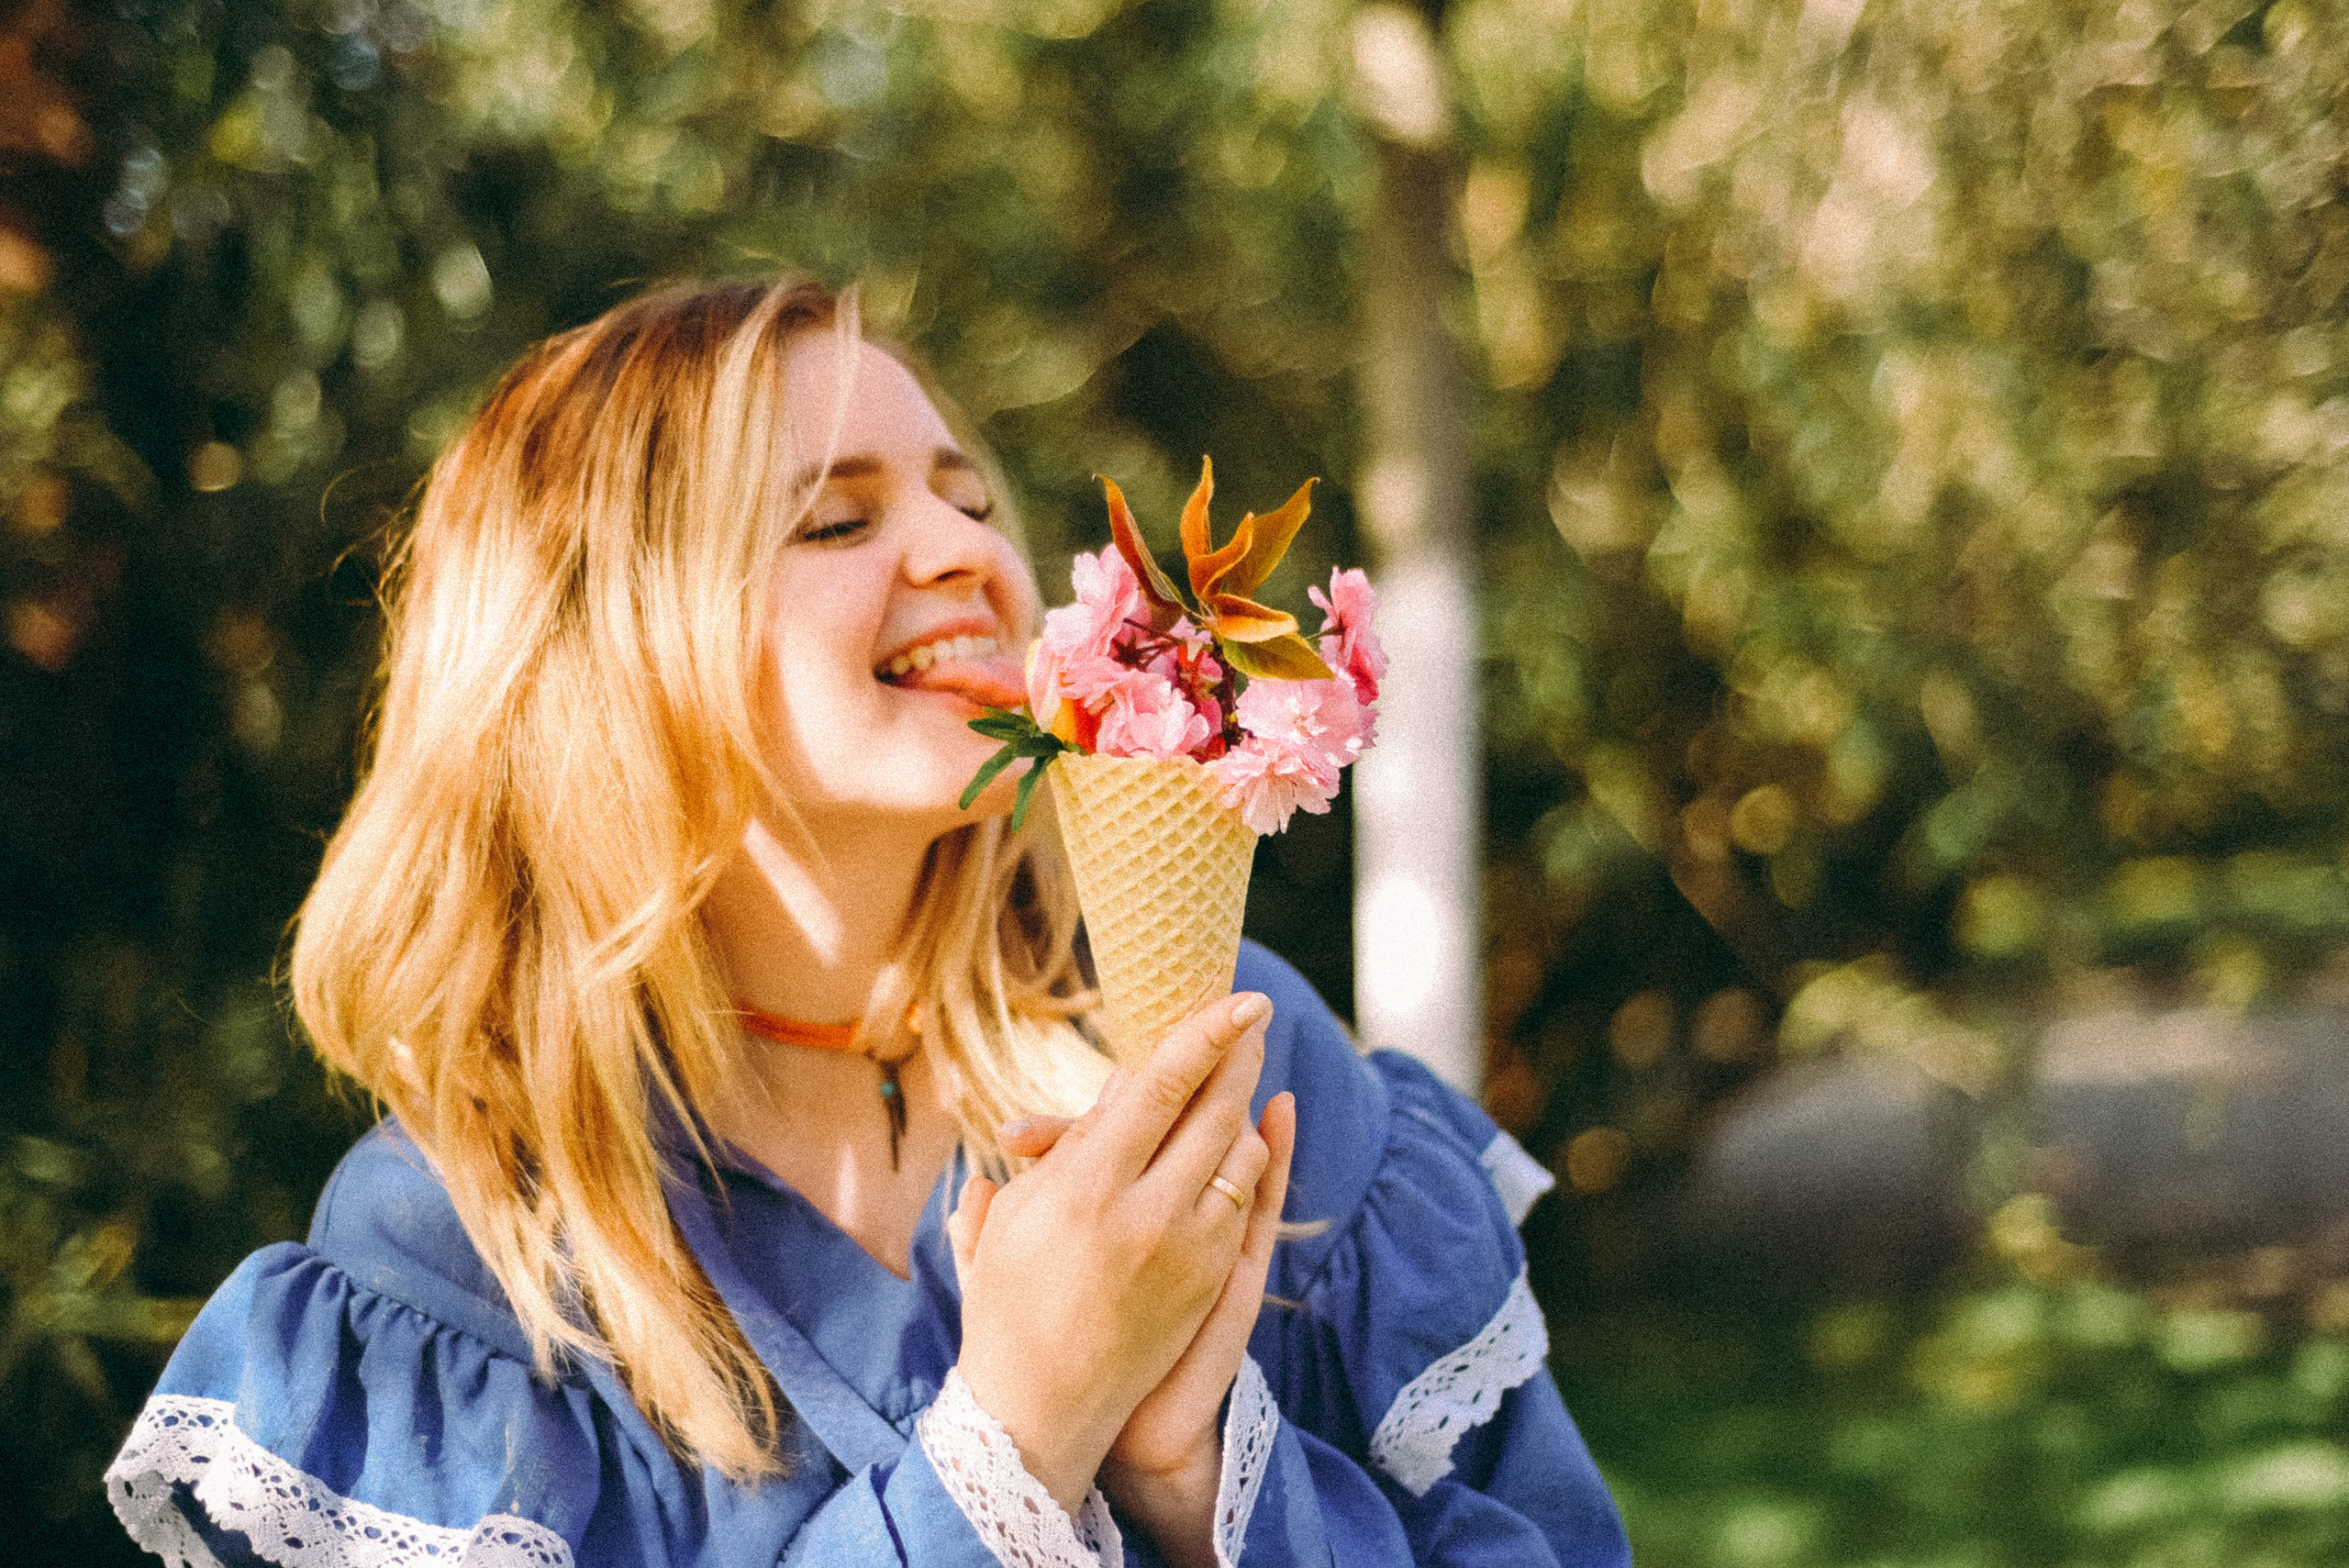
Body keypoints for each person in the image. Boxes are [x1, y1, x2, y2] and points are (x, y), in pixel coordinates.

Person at [103, 279, 1630, 1568]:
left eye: (968, 497)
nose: (969, 550)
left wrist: (1194, 1479)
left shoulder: (1238, 1055)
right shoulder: (460, 1261)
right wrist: (1014, 1432)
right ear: (595, 655)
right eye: (836, 521)